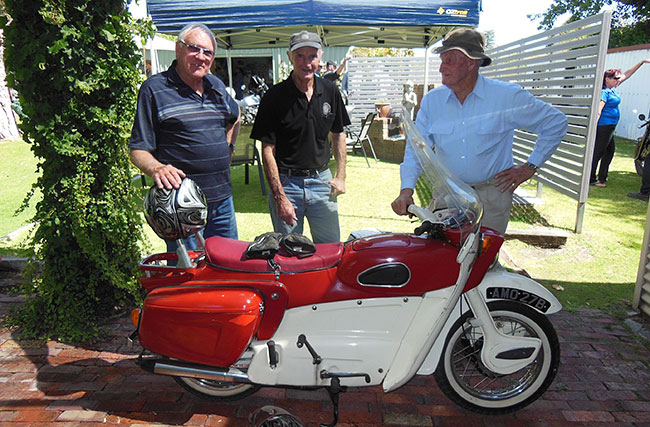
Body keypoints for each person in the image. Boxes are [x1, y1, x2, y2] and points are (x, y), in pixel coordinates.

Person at [391, 28, 568, 235]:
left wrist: (530, 166)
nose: (441, 68)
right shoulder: (433, 101)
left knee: (484, 261)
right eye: (442, 60)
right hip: (448, 196)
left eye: (449, 60)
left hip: (491, 197)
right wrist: (406, 190)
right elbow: (416, 147)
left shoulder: (506, 96)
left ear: (471, 62)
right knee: (443, 259)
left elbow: (556, 122)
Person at [129, 22, 241, 252]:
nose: (201, 57)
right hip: (181, 206)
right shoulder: (154, 89)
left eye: (207, 52)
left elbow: (235, 115)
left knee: (228, 268)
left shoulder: (216, 86)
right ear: (178, 48)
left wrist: (229, 146)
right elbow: (138, 149)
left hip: (222, 201)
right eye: (194, 48)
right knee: (190, 277)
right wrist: (156, 169)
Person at [250, 30, 351, 243]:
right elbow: (267, 149)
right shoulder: (274, 97)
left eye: (312, 56)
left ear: (320, 57)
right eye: (300, 56)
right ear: (289, 57)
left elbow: (338, 133)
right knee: (289, 253)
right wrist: (280, 197)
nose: (307, 63)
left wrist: (341, 176)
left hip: (323, 182)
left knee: (331, 249)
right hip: (288, 185)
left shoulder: (331, 90)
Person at [590, 61, 650, 188]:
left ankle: (602, 176)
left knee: (610, 151)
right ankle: (591, 179)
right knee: (599, 152)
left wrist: (642, 63)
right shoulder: (604, 92)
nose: (618, 80)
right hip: (604, 126)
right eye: (616, 78)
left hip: (611, 126)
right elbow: (599, 109)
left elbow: (627, 74)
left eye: (618, 78)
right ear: (607, 79)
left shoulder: (613, 88)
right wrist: (594, 125)